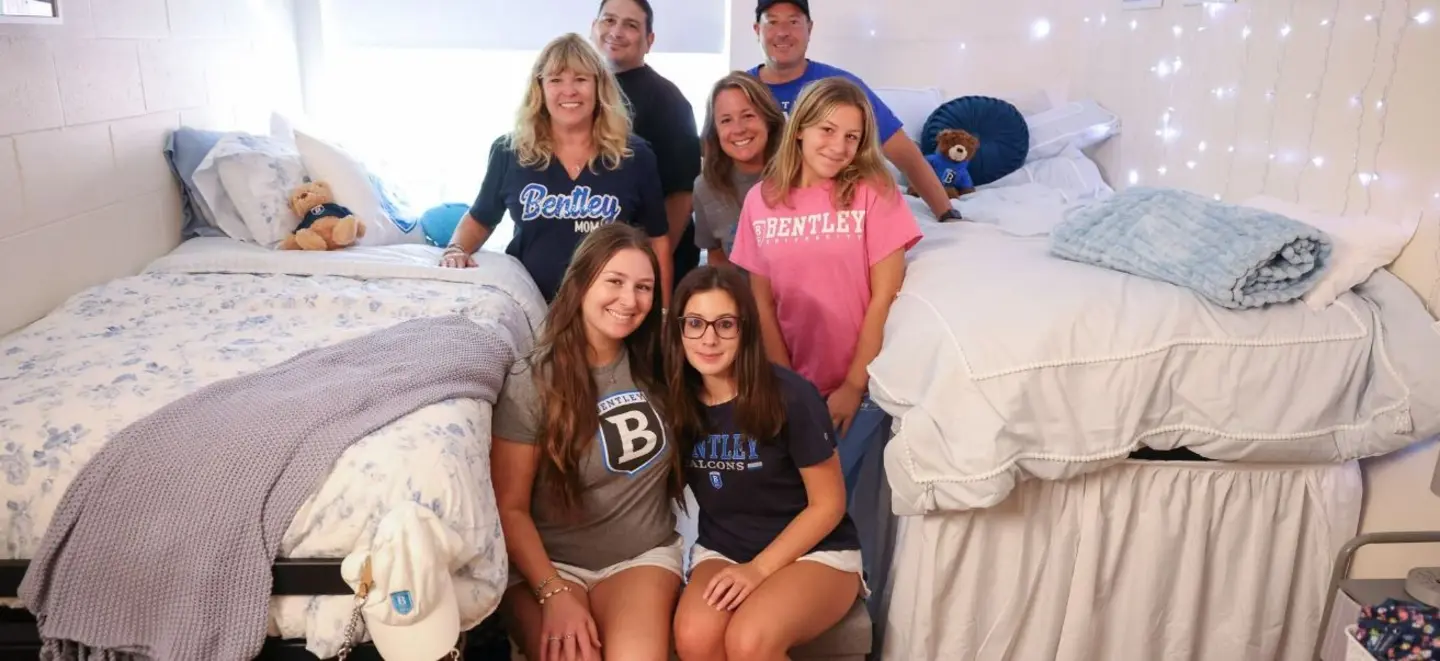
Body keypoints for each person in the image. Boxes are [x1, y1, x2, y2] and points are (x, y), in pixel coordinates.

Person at [490, 222, 685, 661]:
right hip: (548, 563)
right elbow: (510, 507)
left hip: (640, 555)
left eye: (644, 287)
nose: (629, 300)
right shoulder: (531, 380)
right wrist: (553, 591)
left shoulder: (661, 363)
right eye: (614, 282)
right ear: (580, 284)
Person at [728, 76, 922, 501]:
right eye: (828, 131)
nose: (839, 146)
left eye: (852, 136)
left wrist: (853, 386)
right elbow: (762, 301)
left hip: (859, 387)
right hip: (791, 384)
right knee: (787, 502)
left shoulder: (875, 193)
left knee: (833, 506)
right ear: (799, 128)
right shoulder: (761, 200)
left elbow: (885, 296)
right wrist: (786, 387)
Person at [664, 265, 864, 661]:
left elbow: (829, 504)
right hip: (725, 548)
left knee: (749, 641)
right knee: (694, 637)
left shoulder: (790, 395)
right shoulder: (675, 401)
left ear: (745, 329)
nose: (709, 338)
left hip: (815, 552)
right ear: (679, 330)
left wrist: (758, 570)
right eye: (695, 323)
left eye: (724, 324)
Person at [439, 33, 674, 307]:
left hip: (612, 312)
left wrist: (664, 315)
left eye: (581, 79)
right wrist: (455, 250)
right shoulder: (509, 151)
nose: (569, 91)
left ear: (599, 86)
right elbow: (481, 218)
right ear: (540, 88)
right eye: (556, 80)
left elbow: (658, 242)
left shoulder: (635, 155)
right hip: (530, 309)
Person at [748, 0, 963, 223]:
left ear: (809, 28)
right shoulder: (740, 92)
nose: (783, 32)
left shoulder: (843, 86)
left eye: (793, 22)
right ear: (757, 29)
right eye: (772, 22)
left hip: (832, 215)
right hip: (763, 215)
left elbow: (904, 153)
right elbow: (715, 161)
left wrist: (946, 212)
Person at [592, 0, 703, 297]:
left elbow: (682, 195)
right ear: (594, 27)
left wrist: (651, 265)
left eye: (630, 25)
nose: (616, 31)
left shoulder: (668, 101)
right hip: (600, 266)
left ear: (649, 40)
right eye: (609, 20)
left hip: (651, 272)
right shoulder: (580, 92)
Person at [692, 71, 786, 268]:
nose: (739, 129)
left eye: (748, 116)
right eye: (726, 120)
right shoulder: (706, 187)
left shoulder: (801, 176)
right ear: (715, 130)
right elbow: (717, 256)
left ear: (768, 120)